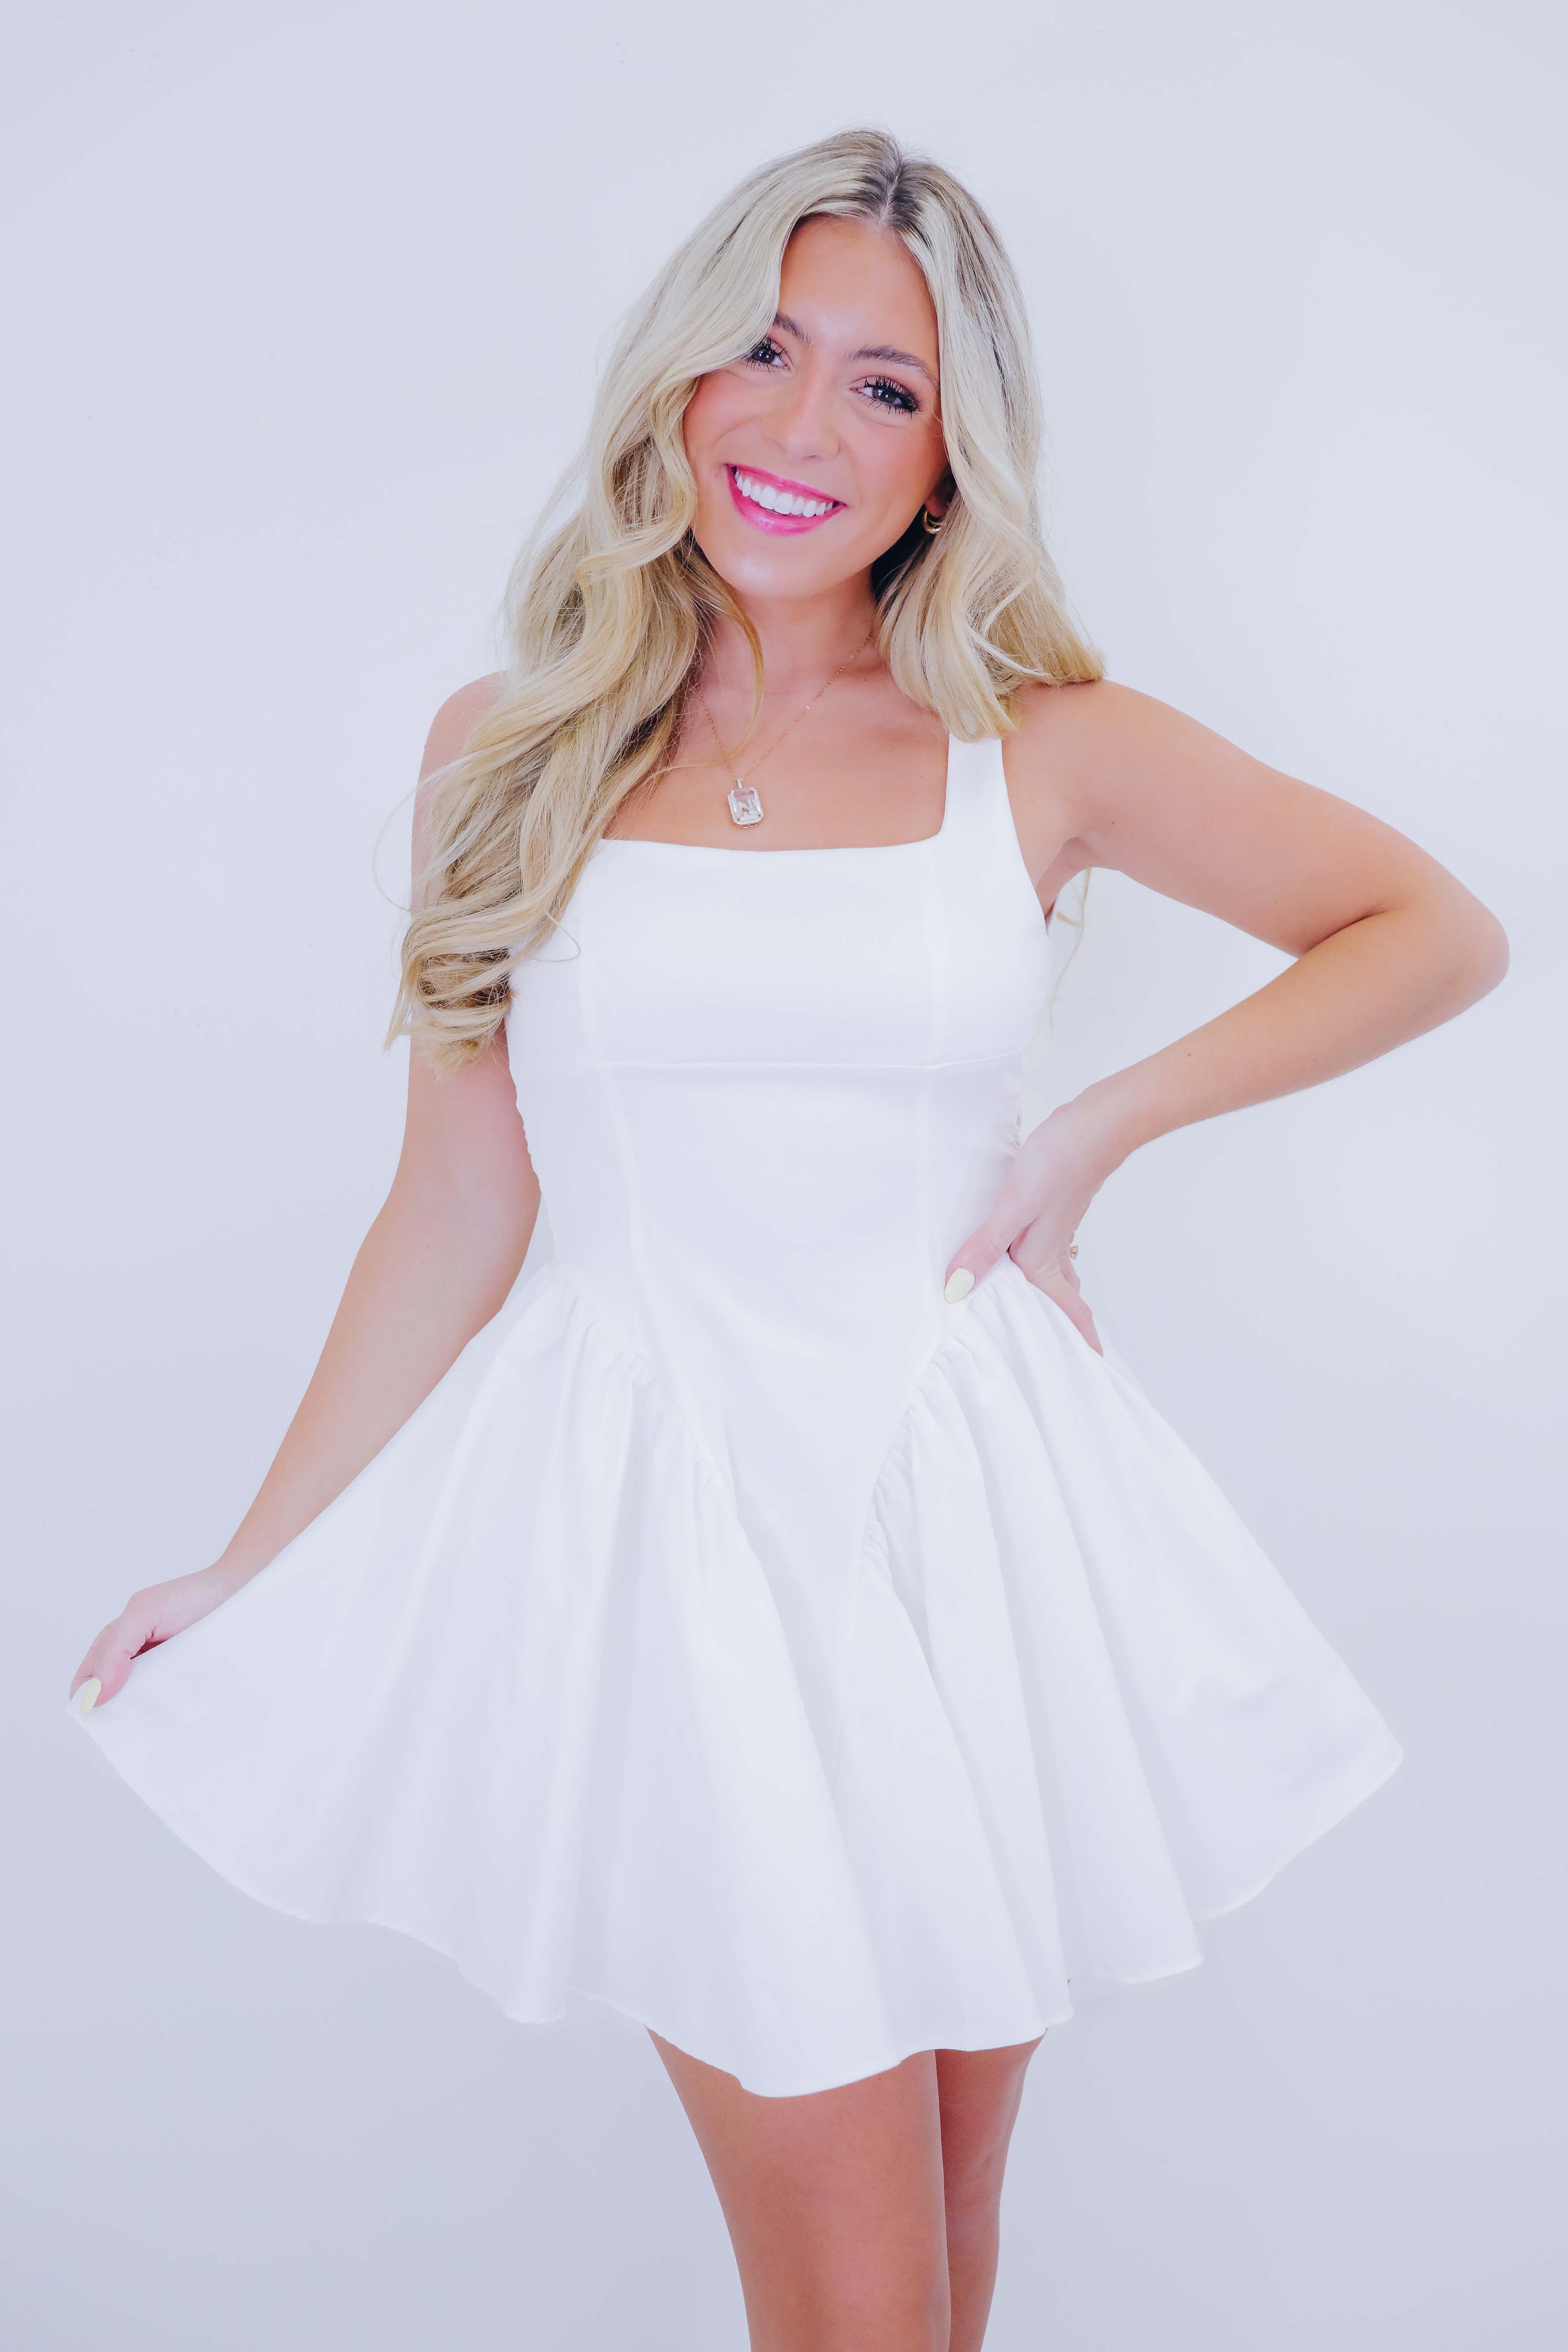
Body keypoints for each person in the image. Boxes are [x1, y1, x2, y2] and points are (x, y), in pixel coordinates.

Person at [67, 128, 1507, 2352]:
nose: (800, 425)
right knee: (851, 2299)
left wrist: (1094, 1133)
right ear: (674, 374)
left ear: (946, 462)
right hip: (682, 1549)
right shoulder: (512, 751)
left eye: (882, 387)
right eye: (761, 349)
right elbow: (455, 1199)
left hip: (969, 1531)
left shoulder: (1036, 746)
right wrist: (257, 1563)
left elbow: (1426, 927)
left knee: (932, 2254)